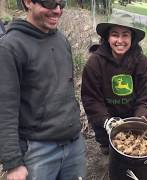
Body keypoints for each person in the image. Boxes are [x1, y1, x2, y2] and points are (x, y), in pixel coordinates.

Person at [0, 0, 86, 179]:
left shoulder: (61, 39)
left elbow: (66, 90)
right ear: (28, 2)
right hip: (38, 151)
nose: (57, 10)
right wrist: (13, 162)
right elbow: (4, 108)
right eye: (49, 3)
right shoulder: (9, 47)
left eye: (61, 3)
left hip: (74, 145)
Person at [81, 13, 147, 154]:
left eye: (125, 35)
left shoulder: (141, 62)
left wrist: (139, 118)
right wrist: (107, 121)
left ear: (132, 38)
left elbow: (144, 97)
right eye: (115, 35)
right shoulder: (94, 63)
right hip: (105, 117)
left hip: (131, 115)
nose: (120, 40)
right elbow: (90, 99)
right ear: (107, 38)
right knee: (109, 149)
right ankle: (105, 144)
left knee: (133, 148)